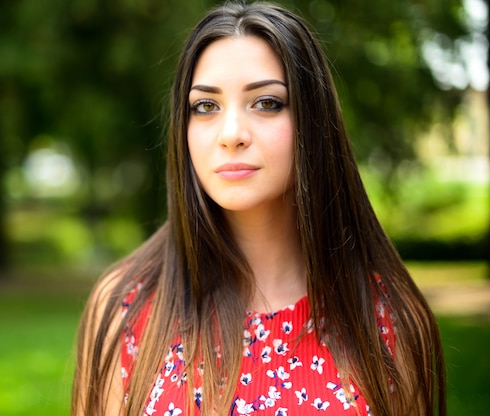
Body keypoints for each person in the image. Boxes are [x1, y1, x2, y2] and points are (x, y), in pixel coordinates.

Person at [71, 2, 446, 415]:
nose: (231, 134)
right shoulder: (126, 306)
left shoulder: (387, 319)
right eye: (206, 107)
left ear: (313, 121)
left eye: (266, 103)